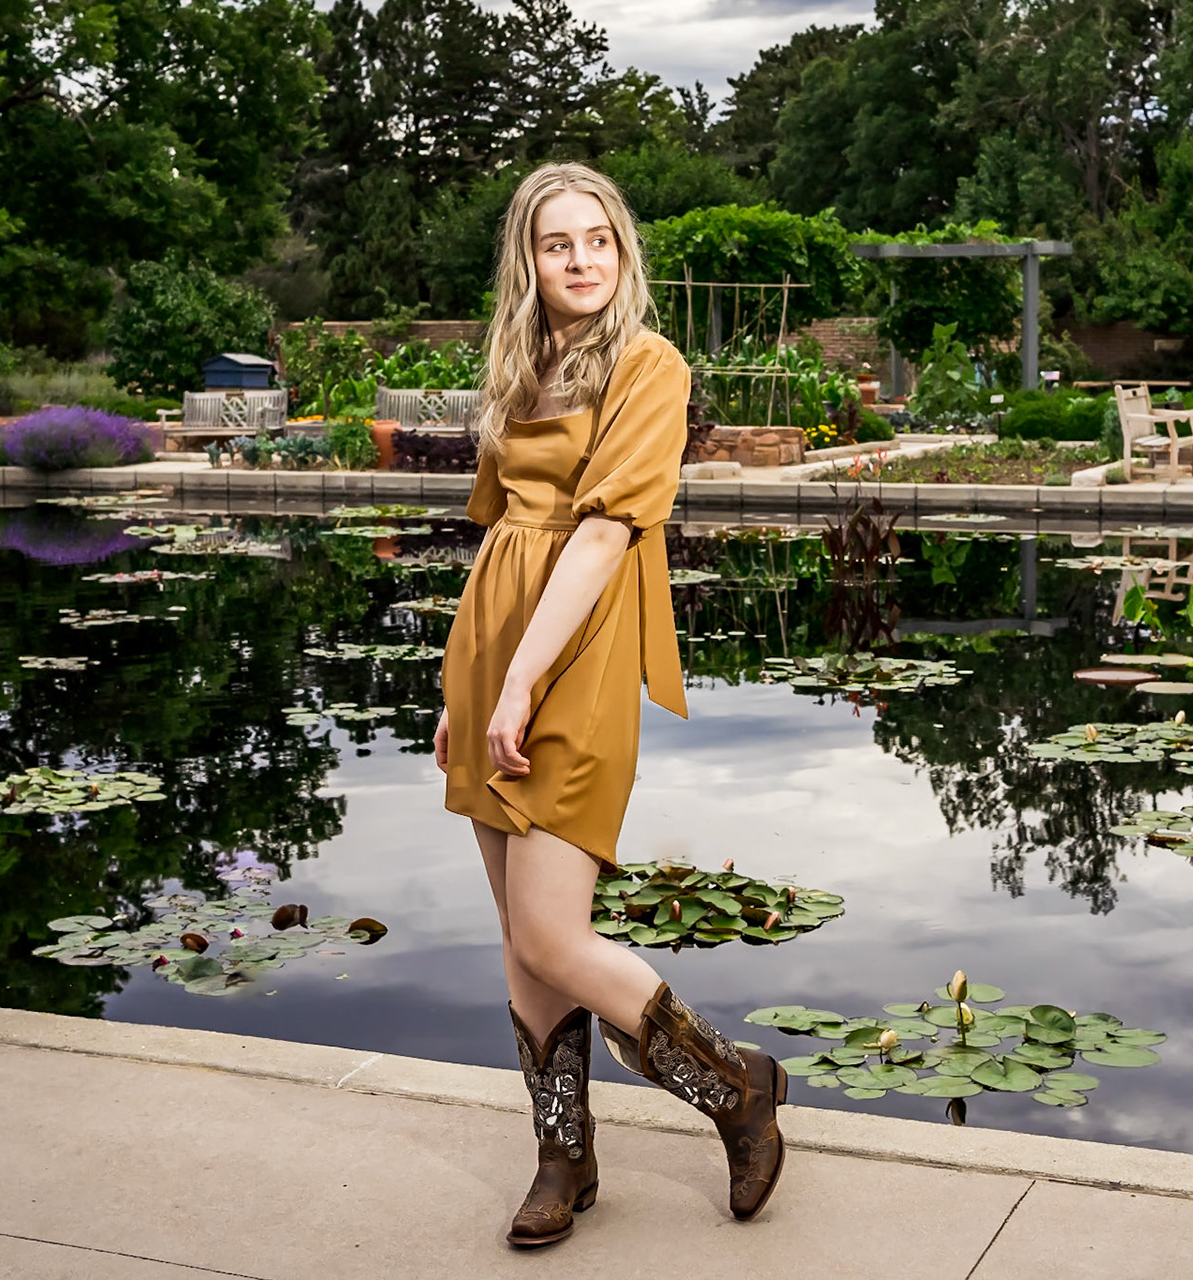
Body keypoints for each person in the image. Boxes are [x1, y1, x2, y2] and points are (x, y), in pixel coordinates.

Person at [434, 162, 787, 1248]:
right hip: (498, 640)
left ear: (623, 253)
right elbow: (497, 530)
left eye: (597, 240)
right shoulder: (522, 363)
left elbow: (599, 535)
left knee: (553, 925)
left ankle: (734, 1085)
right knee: (518, 933)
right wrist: (469, 684)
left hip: (576, 648)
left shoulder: (650, 365)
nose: (579, 259)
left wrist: (527, 678)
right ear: (527, 261)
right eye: (556, 243)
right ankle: (564, 1154)